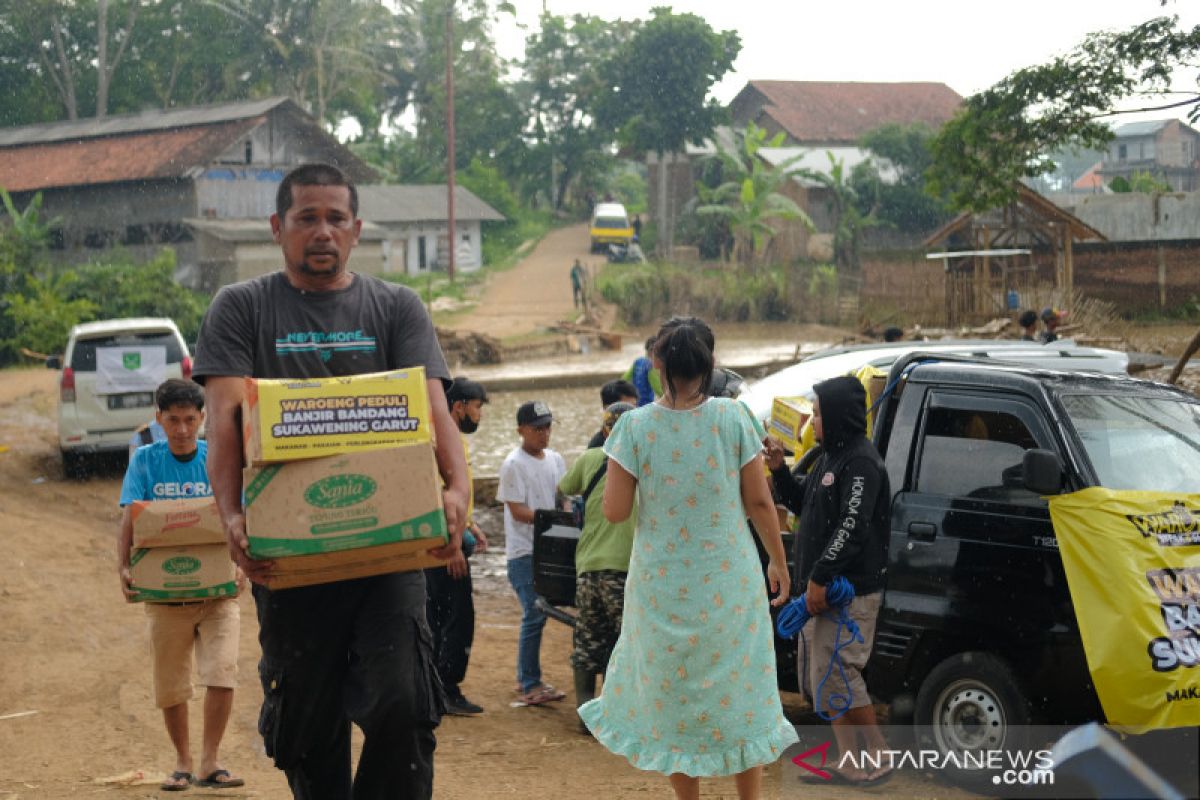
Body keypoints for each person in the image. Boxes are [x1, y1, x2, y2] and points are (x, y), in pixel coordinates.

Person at [192, 163, 469, 800]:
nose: (323, 231)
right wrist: (232, 515)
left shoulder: (396, 306)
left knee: (404, 700)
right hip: (291, 561)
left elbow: (432, 407)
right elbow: (228, 420)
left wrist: (457, 490)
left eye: (336, 218)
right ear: (277, 228)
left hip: (390, 553)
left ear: (356, 228)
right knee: (309, 734)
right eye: (307, 218)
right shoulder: (242, 308)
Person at [581, 316, 797, 800]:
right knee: (741, 688)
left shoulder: (633, 427)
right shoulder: (733, 417)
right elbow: (760, 503)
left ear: (656, 364)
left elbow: (614, 512)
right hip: (730, 583)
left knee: (675, 694)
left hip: (661, 587)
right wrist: (778, 561)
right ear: (711, 363)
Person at [117, 379, 244, 792]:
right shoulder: (145, 462)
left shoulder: (219, 459)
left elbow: (244, 513)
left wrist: (243, 563)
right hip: (165, 595)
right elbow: (130, 519)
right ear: (159, 419)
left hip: (218, 592)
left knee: (222, 673)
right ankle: (183, 762)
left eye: (190, 419)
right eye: (172, 420)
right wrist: (123, 567)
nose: (183, 429)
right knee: (171, 683)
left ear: (203, 418)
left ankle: (210, 761)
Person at [764, 375, 892, 786]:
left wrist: (820, 577)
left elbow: (852, 526)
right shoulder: (829, 457)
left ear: (837, 415)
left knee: (842, 671)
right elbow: (807, 503)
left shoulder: (860, 462)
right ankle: (850, 761)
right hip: (823, 589)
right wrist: (780, 472)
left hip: (848, 592)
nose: (812, 421)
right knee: (825, 675)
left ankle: (879, 754)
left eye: (817, 413)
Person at [558, 401, 636, 733]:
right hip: (624, 567)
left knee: (589, 639)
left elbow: (564, 488)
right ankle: (619, 715)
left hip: (588, 567)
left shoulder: (590, 460)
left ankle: (585, 716)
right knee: (625, 642)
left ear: (604, 431)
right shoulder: (642, 463)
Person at [425, 377, 490, 717]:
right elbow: (435, 497)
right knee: (454, 617)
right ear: (459, 405)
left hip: (449, 538)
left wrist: (470, 524)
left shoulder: (450, 439)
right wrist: (452, 547)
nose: (478, 416)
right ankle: (446, 687)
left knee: (441, 615)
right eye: (477, 407)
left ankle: (437, 687)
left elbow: (454, 493)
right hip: (443, 545)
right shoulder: (440, 439)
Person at [497, 400, 568, 706]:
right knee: (535, 613)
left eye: (547, 426)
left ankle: (527, 677)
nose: (544, 433)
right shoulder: (513, 464)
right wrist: (552, 518)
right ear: (521, 430)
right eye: (537, 428)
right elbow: (517, 511)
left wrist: (565, 515)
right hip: (524, 552)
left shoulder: (555, 459)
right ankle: (529, 682)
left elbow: (563, 497)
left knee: (539, 613)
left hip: (551, 550)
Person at [586, 379, 638, 448]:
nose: (632, 413)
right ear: (608, 408)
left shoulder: (639, 437)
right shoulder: (598, 446)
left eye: (634, 407)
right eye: (625, 408)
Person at [622, 336, 663, 407]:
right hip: (646, 404)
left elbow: (624, 379)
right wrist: (668, 398)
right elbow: (657, 387)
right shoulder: (650, 366)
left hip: (634, 402)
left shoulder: (638, 361)